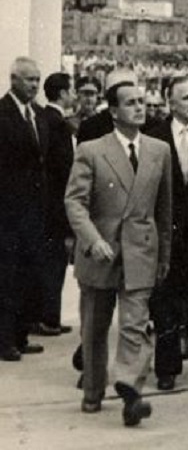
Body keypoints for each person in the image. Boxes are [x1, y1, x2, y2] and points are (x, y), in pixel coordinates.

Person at [64, 80, 173, 426]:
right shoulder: (92, 150)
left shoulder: (159, 151)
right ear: (113, 111)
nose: (140, 108)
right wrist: (92, 239)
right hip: (102, 251)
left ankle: (130, 389)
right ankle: (93, 390)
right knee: (95, 327)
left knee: (134, 325)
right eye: (131, 103)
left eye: (143, 101)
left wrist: (163, 254)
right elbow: (75, 202)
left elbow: (164, 210)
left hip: (141, 250)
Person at [144, 75, 188, 391]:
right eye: (185, 98)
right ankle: (167, 368)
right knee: (165, 300)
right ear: (171, 103)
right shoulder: (155, 136)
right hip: (168, 231)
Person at [0, 57, 51, 361]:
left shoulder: (37, 116)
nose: (34, 85)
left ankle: (20, 335)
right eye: (29, 79)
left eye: (37, 80)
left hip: (33, 213)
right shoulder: (2, 114)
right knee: (6, 278)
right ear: (13, 79)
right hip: (7, 214)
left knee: (27, 276)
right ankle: (5, 340)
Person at [34, 72, 76, 338]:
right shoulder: (58, 124)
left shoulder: (42, 118)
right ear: (62, 93)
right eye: (70, 91)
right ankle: (50, 317)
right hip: (56, 206)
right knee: (54, 264)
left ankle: (44, 315)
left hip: (42, 205)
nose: (72, 95)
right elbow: (65, 171)